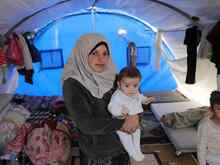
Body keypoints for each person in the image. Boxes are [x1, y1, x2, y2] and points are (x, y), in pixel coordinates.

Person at [62, 33, 139, 165]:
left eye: (105, 53)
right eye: (94, 53)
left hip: (121, 145)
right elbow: (85, 124)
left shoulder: (114, 76)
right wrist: (122, 123)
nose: (101, 59)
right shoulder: (72, 84)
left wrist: (135, 115)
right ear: (83, 53)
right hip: (97, 153)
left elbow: (134, 94)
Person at [108, 66, 154, 161]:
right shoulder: (117, 96)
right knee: (126, 137)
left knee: (137, 132)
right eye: (127, 86)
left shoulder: (135, 92)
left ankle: (137, 149)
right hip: (121, 121)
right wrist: (120, 110)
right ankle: (131, 152)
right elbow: (111, 106)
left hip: (134, 119)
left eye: (135, 85)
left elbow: (139, 97)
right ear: (119, 84)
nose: (131, 89)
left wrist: (145, 100)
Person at [197, 90, 220, 165]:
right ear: (212, 110)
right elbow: (201, 148)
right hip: (213, 155)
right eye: (219, 109)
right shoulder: (205, 125)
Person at [184, 16, 202, 84]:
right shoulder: (190, 30)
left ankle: (190, 80)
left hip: (192, 47)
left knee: (191, 63)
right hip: (191, 47)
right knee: (191, 63)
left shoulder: (197, 31)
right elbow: (197, 41)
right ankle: (190, 80)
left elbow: (198, 41)